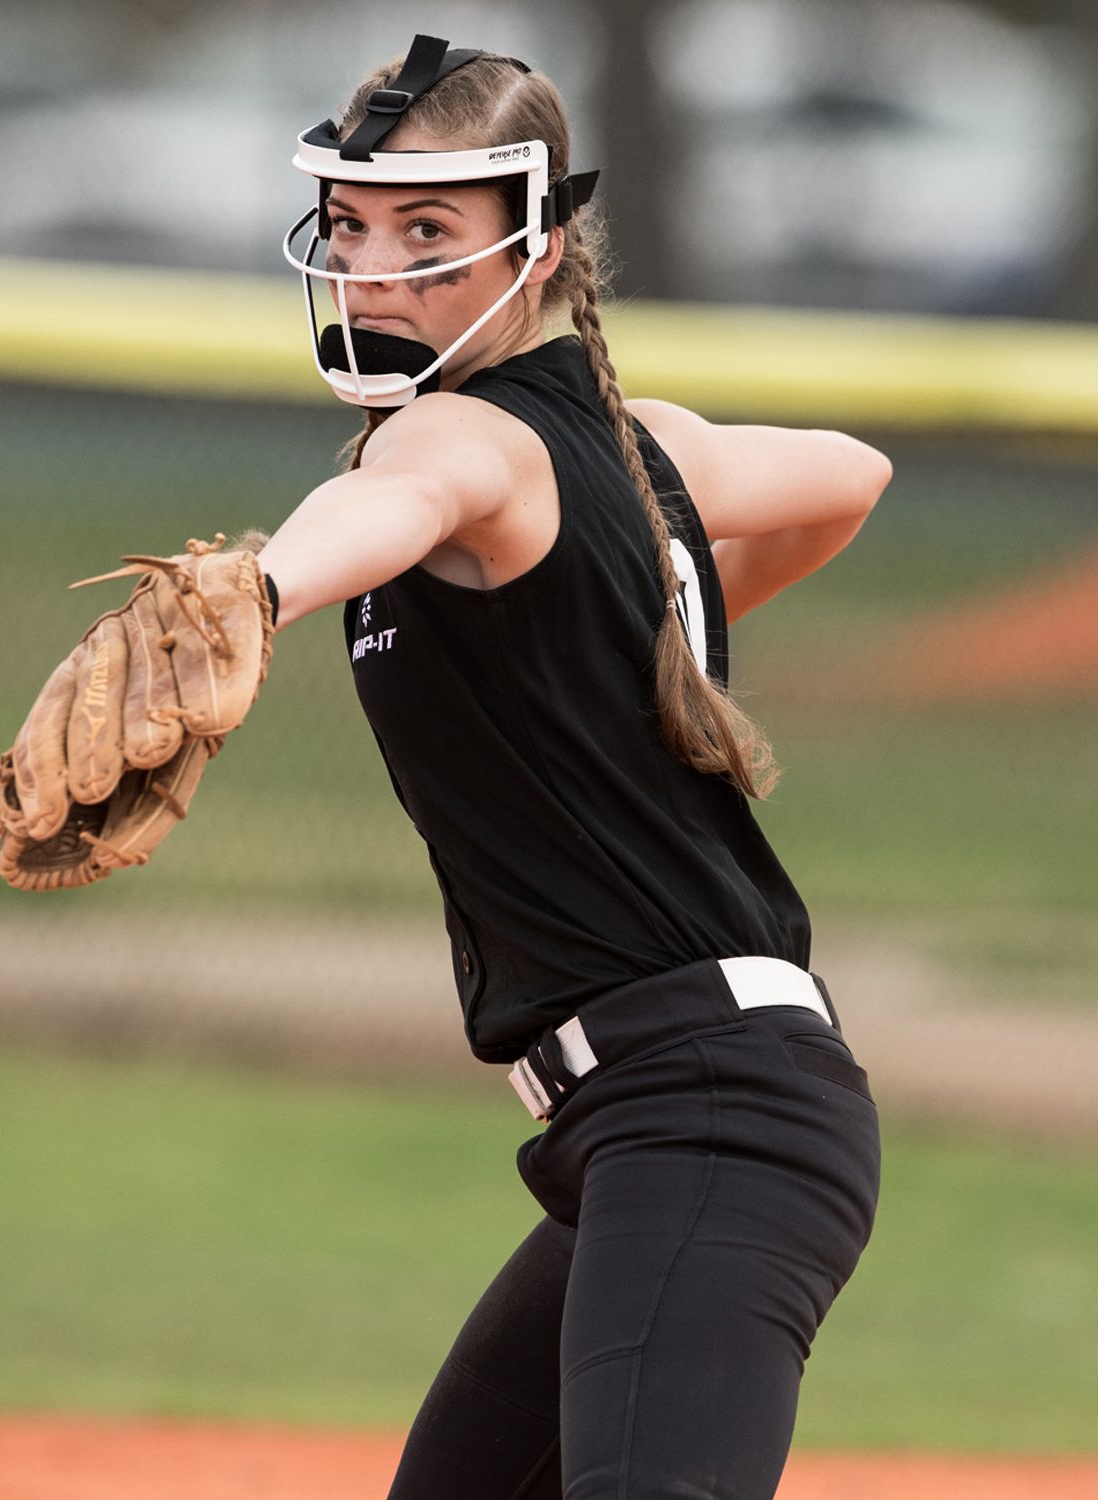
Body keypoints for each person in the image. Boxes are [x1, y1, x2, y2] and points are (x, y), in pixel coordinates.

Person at [257, 35, 890, 1500]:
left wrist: (254, 592)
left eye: (431, 233)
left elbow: (407, 492)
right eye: (352, 228)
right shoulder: (635, 444)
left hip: (708, 1112)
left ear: (535, 253)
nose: (375, 269)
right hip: (671, 1119)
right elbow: (850, 473)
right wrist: (640, 624)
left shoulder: (453, 439)